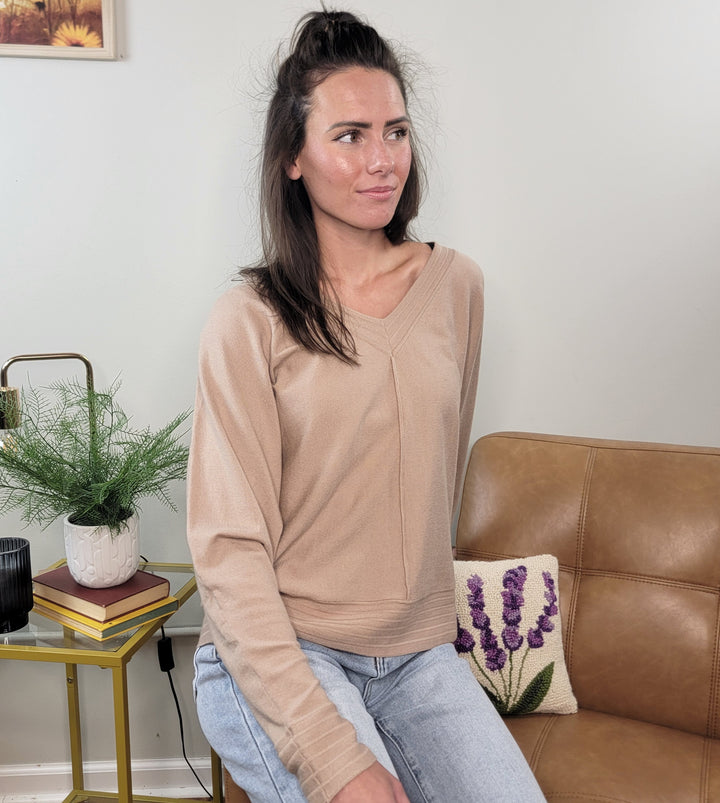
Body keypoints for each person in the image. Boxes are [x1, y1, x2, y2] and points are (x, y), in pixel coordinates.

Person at [187, 9, 546, 803]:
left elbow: (433, 471)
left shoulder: (458, 288)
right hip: (283, 650)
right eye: (349, 135)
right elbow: (228, 550)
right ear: (292, 156)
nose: (381, 160)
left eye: (396, 131)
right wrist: (329, 753)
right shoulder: (249, 319)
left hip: (419, 655)